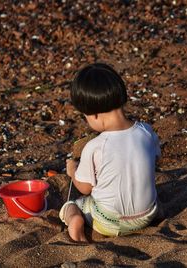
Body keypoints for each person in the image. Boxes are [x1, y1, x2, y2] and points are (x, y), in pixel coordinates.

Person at [59, 63, 162, 242]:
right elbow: (155, 160)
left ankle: (75, 223)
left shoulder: (96, 146)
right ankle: (158, 211)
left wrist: (72, 171)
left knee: (71, 207)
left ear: (95, 115)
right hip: (147, 215)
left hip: (109, 221)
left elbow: (84, 188)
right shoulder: (146, 131)